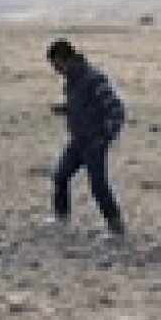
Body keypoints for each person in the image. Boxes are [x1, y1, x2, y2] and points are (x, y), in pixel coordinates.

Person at [47, 39, 126, 233]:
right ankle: (61, 219)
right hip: (78, 140)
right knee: (60, 175)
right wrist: (66, 109)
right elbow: (85, 106)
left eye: (55, 64)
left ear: (64, 59)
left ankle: (115, 226)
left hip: (94, 142)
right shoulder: (72, 81)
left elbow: (117, 110)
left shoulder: (93, 79)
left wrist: (104, 135)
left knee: (98, 185)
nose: (55, 70)